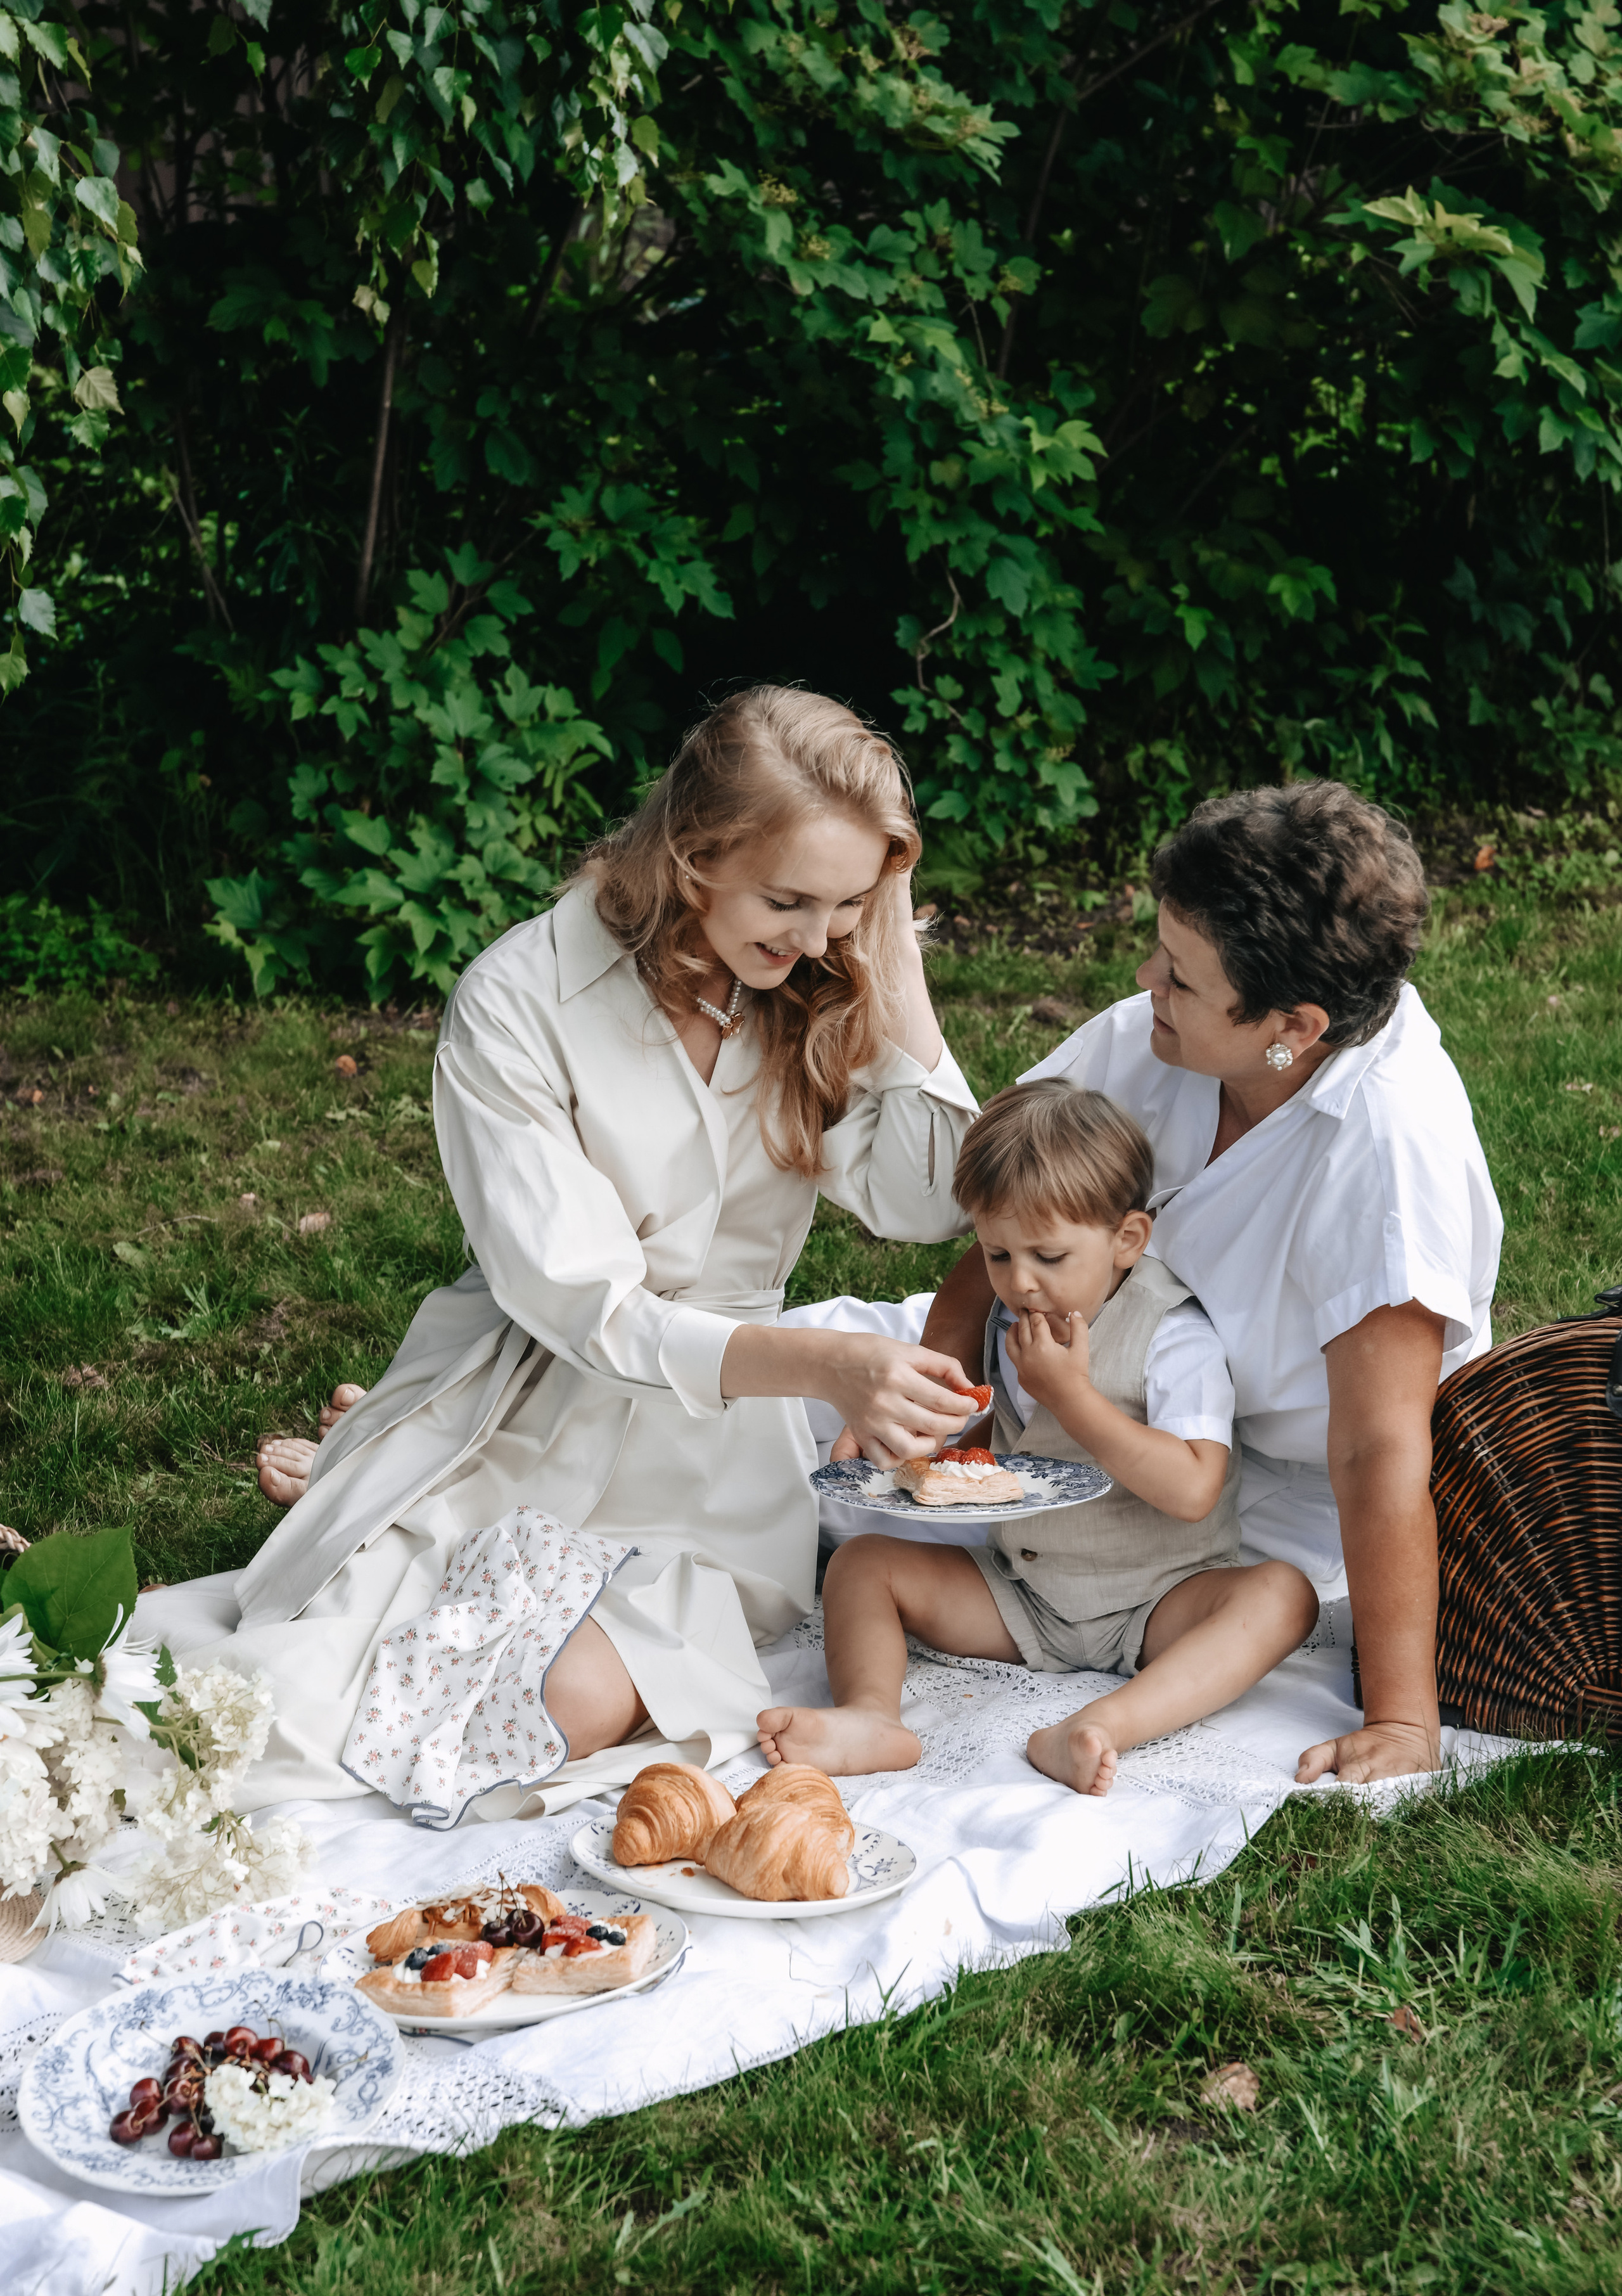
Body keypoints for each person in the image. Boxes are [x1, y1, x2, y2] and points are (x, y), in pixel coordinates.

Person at [142, 687, 984, 1812]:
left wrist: (889, 952)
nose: (816, 936)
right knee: (314, 1697)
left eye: (848, 903)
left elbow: (930, 1199)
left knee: (564, 1697)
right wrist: (827, 1366)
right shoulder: (518, 999)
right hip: (528, 1405)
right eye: (790, 899)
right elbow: (588, 1308)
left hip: (717, 1478)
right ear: (693, 855)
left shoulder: (817, 975)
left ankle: (352, 1478)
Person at [827, 780, 1502, 1787]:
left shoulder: (1391, 1153)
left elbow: (1376, 1448)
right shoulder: (1158, 1039)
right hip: (1063, 1387)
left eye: (1180, 976)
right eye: (1160, 951)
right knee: (815, 1405)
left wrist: (1403, 1717)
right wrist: (939, 1402)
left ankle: (1101, 1717)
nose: (1147, 979)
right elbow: (1013, 1226)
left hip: (1253, 1489)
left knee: (1267, 1602)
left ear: (1293, 1025)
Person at [758, 1083, 1317, 1792]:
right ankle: (872, 1715)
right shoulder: (1013, 1321)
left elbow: (1193, 1489)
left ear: (1127, 1240)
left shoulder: (1172, 1333)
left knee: (1282, 1596)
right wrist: (933, 1451)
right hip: (1025, 1591)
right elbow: (1014, 1438)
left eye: (1048, 1257)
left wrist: (1072, 1396)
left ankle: (1102, 1726)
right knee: (862, 1564)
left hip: (1160, 1598)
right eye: (997, 1254)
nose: (1019, 1282)